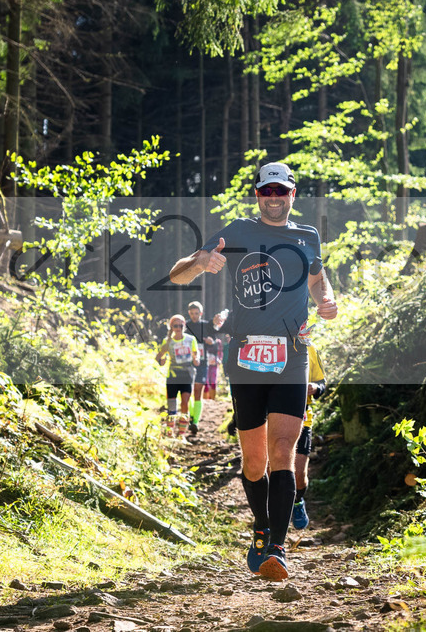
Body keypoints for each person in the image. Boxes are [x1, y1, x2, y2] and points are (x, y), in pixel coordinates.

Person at [169, 161, 338, 581]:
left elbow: (319, 280)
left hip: (293, 356)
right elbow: (177, 275)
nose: (275, 198)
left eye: (283, 192)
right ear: (258, 195)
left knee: (283, 451)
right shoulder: (238, 231)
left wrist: (326, 301)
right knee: (254, 461)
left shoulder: (307, 236)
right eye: (268, 192)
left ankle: (277, 548)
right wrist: (201, 260)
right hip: (245, 357)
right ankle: (260, 528)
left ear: (293, 195)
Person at [292, 340, 325, 530]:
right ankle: (273, 510)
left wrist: (315, 387)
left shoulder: (310, 348)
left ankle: (297, 502)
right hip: (273, 414)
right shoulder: (272, 343)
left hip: (303, 417)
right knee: (272, 470)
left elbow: (322, 382)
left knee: (299, 474)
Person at [154, 314, 201, 438]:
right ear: (171, 327)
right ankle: (170, 432)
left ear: (184, 325)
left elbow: (196, 355)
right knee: (172, 404)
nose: (178, 328)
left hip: (187, 374)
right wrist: (161, 361)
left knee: (185, 402)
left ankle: (181, 434)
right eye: (176, 325)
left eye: (181, 325)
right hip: (173, 375)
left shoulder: (191, 340)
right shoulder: (167, 341)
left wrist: (196, 360)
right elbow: (158, 356)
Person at [185, 300, 218, 436]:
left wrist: (211, 341)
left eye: (196, 313)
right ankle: (191, 416)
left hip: (202, 363)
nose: (194, 316)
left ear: (201, 313)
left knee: (198, 390)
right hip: (187, 362)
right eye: (192, 313)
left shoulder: (206, 325)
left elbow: (214, 340)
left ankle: (195, 422)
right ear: (189, 313)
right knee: (188, 391)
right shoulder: (185, 325)